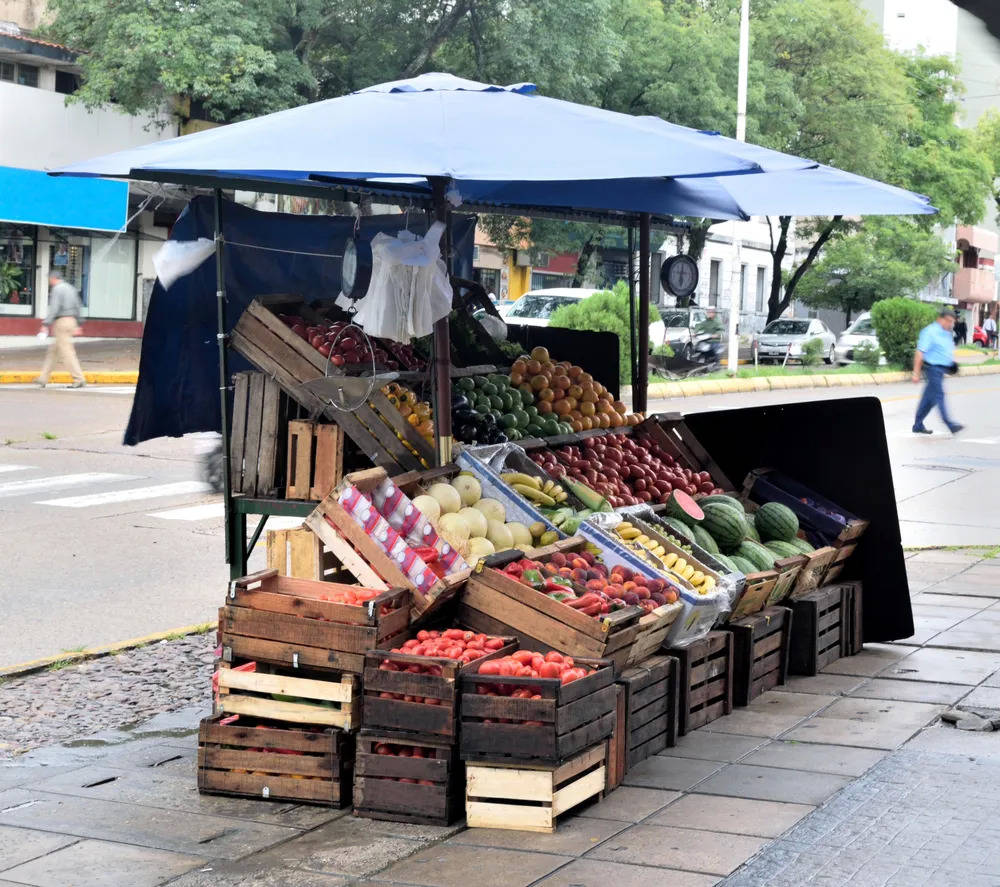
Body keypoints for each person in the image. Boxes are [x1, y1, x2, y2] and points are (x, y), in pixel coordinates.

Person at [912, 307, 962, 435]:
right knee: (939, 395)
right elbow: (919, 352)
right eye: (949, 321)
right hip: (932, 369)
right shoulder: (929, 332)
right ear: (940, 319)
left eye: (952, 322)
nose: (951, 324)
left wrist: (951, 364)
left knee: (929, 399)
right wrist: (916, 372)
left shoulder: (946, 333)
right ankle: (950, 424)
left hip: (941, 370)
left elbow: (943, 351)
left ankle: (917, 425)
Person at [36, 270, 85, 389]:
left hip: (62, 322)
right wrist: (78, 323)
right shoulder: (71, 288)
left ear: (53, 278)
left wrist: (45, 323)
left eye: (50, 279)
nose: (49, 281)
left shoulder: (57, 289)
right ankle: (43, 378)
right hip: (72, 321)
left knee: (67, 352)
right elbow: (78, 306)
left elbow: (54, 308)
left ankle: (79, 378)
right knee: (53, 352)